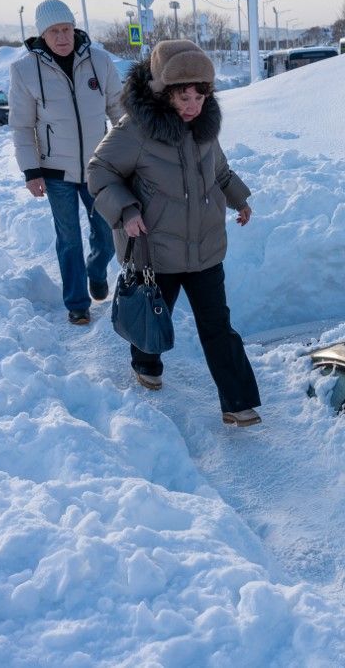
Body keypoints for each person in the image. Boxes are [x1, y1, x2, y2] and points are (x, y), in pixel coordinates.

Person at [87, 40, 262, 427]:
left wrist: (239, 199)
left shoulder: (204, 128)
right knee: (152, 314)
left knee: (218, 326)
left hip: (205, 248)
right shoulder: (134, 130)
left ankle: (237, 402)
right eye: (184, 97)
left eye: (200, 97)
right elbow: (99, 172)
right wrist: (127, 210)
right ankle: (145, 362)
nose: (192, 106)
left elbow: (219, 171)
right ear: (163, 92)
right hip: (156, 250)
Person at [8, 0, 123, 325]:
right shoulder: (24, 70)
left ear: (75, 29)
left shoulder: (99, 62)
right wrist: (31, 171)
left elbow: (119, 110)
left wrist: (131, 155)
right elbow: (21, 126)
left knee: (106, 232)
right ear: (43, 34)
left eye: (67, 29)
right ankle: (77, 303)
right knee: (68, 237)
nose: (62, 36)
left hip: (98, 168)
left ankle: (96, 270)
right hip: (55, 172)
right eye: (55, 31)